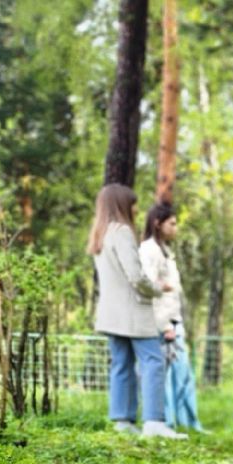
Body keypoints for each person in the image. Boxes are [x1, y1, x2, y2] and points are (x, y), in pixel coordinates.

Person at [88, 184, 182, 439]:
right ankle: (154, 421)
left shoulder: (100, 234)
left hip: (110, 312)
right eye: (133, 203)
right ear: (121, 204)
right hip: (132, 311)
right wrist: (157, 289)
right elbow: (136, 276)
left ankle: (123, 420)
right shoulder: (122, 232)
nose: (136, 208)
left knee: (121, 364)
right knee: (153, 362)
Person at [139, 202, 202, 433]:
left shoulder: (165, 250)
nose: (176, 228)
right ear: (158, 223)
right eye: (172, 223)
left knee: (183, 373)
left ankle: (189, 422)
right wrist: (164, 325)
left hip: (174, 318)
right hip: (162, 322)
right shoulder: (149, 250)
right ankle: (165, 422)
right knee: (162, 375)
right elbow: (149, 288)